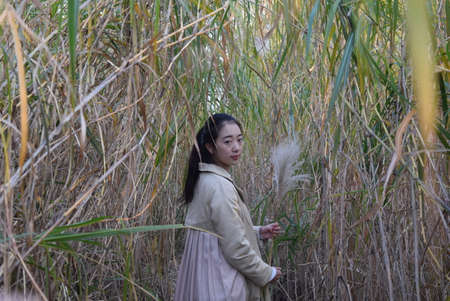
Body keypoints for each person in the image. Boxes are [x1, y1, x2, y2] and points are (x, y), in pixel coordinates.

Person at [174, 113, 282, 301]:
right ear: (210, 146)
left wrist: (257, 232)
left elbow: (216, 228)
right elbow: (235, 247)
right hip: (219, 280)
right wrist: (267, 273)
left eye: (239, 140)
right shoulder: (219, 186)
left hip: (202, 277)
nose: (236, 147)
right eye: (227, 142)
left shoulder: (204, 179)